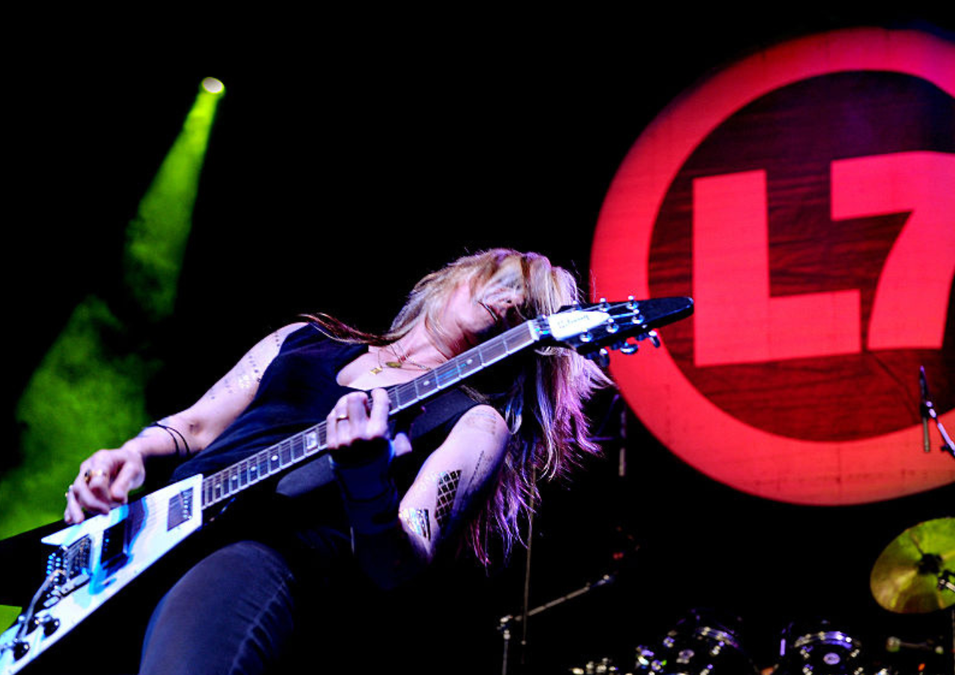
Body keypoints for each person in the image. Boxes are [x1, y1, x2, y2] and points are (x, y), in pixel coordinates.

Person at [62, 248, 609, 674]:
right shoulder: (305, 339)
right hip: (147, 537)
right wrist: (130, 455)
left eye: (527, 306)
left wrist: (367, 483)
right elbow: (198, 424)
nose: (511, 301)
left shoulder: (475, 422)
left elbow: (402, 560)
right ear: (455, 276)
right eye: (506, 282)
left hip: (265, 557)